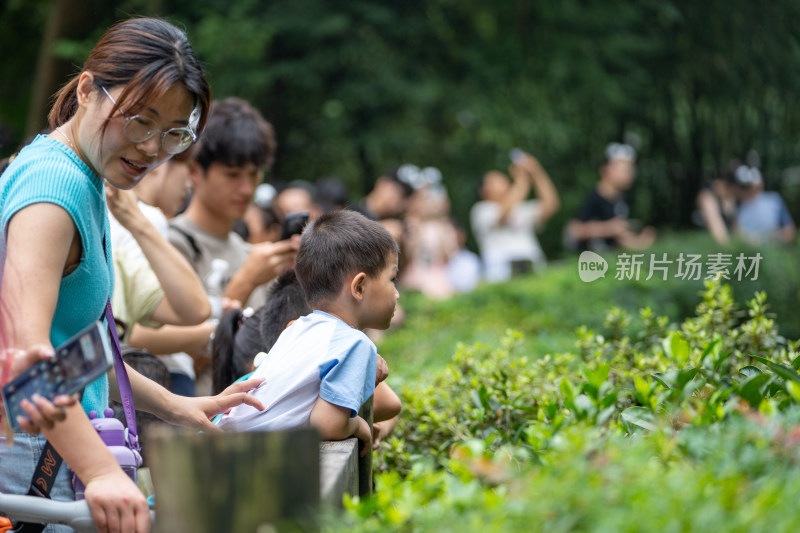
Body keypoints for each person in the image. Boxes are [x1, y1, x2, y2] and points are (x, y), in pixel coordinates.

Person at [0, 18, 265, 533]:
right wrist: (99, 471)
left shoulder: (82, 175)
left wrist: (175, 405)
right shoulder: (53, 189)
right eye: (140, 121)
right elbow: (25, 362)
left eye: (173, 134)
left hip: (57, 451)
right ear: (86, 89)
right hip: (37, 460)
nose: (151, 148)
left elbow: (75, 347)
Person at [217, 210, 400, 455]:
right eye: (392, 279)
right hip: (248, 455)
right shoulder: (355, 344)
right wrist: (360, 427)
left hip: (221, 442)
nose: (397, 293)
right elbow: (327, 426)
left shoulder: (299, 328)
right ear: (359, 286)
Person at [470, 150, 560, 282]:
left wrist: (537, 172)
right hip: (501, 274)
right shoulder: (481, 210)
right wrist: (522, 180)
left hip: (533, 268)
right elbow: (502, 216)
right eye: (497, 180)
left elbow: (551, 205)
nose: (504, 181)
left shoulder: (520, 207)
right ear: (484, 191)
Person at [565, 142, 656, 253]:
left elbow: (619, 238)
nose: (629, 173)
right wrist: (609, 228)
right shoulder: (594, 197)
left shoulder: (622, 200)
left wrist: (641, 241)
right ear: (605, 170)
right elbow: (574, 230)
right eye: (623, 169)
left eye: (630, 169)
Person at [729, 164, 796, 245]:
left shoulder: (774, 201)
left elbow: (789, 232)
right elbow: (736, 237)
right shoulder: (737, 208)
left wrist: (772, 238)